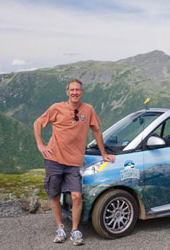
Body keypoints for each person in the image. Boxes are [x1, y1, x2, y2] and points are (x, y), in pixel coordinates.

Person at [33, 79, 115, 245]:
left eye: (78, 90)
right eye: (72, 90)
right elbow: (37, 123)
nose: (75, 92)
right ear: (67, 92)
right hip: (54, 160)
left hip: (74, 162)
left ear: (82, 92)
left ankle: (75, 230)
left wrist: (104, 153)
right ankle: (60, 228)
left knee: (77, 196)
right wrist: (40, 145)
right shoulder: (56, 108)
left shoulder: (88, 109)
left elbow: (96, 131)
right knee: (54, 196)